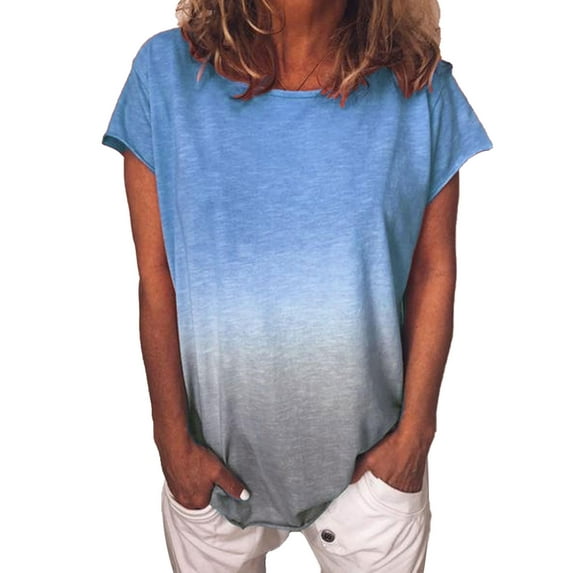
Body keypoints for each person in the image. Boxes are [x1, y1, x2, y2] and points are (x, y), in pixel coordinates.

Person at [101, 0, 492, 571]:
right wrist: (171, 441)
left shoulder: (417, 83)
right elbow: (156, 274)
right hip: (210, 471)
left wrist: (416, 436)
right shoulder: (165, 73)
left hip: (375, 476)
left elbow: (433, 269)